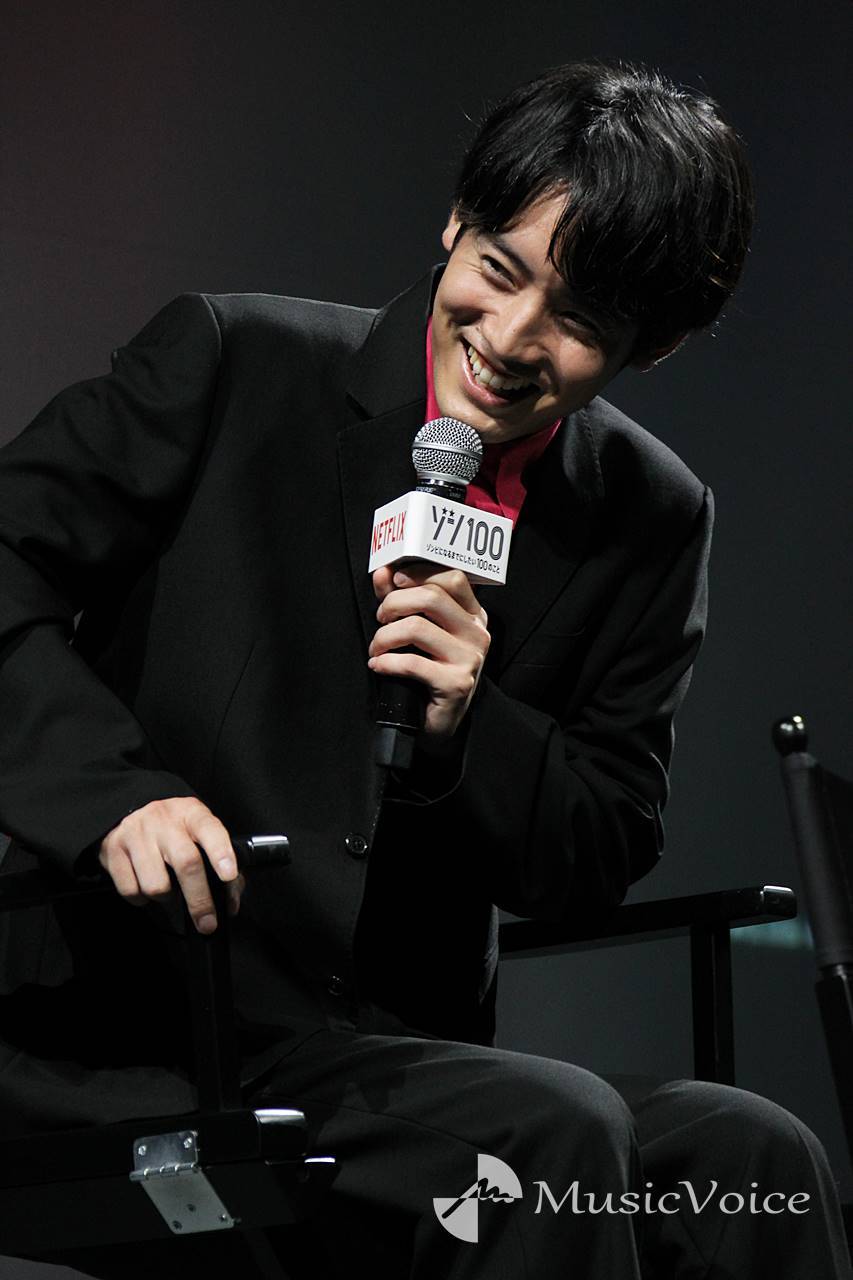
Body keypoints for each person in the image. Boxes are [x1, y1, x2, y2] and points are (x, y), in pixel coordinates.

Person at [0, 60, 848, 1279]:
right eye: (500, 270)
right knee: (550, 1131)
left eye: (577, 322)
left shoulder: (651, 515)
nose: (508, 340)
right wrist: (114, 795)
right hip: (135, 1027)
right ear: (455, 221)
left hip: (392, 1060)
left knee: (756, 1154)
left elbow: (601, 840)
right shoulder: (239, 360)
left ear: (650, 346)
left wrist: (469, 726)